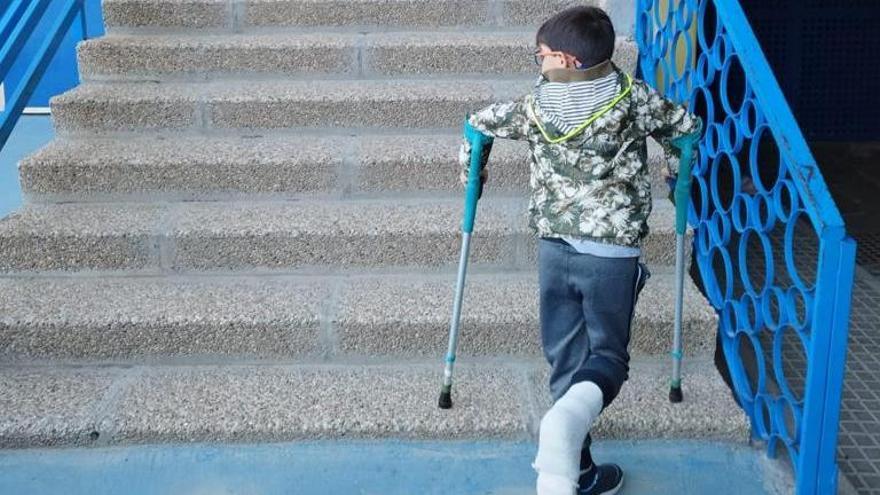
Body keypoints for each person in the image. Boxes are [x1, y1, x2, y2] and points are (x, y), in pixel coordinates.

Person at [458, 6, 701, 495]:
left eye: (541, 55)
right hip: (610, 256)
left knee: (567, 357)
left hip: (554, 250)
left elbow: (476, 126)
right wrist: (677, 176)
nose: (538, 63)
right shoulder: (635, 101)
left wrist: (473, 177)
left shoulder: (534, 106)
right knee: (608, 357)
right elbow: (687, 130)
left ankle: (575, 468)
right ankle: (565, 432)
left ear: (567, 61)